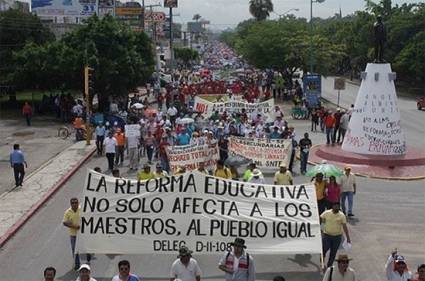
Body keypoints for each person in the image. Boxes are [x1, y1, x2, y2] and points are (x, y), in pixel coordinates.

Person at [63, 198, 91, 270]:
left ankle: (88, 254)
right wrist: (74, 226)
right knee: (75, 250)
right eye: (73, 203)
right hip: (73, 234)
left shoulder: (82, 209)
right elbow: (64, 222)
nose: (74, 204)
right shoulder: (68, 212)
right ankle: (77, 264)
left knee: (85, 246)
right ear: (71, 204)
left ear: (78, 203)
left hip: (83, 233)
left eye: (76, 203)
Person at [320, 202, 351, 269]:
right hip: (327, 235)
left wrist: (348, 237)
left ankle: (329, 266)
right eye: (335, 206)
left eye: (338, 206)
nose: (336, 207)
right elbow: (321, 218)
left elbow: (345, 227)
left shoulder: (342, 215)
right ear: (332, 206)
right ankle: (322, 262)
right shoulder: (326, 213)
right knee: (324, 250)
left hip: (337, 237)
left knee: (333, 252)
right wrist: (321, 229)